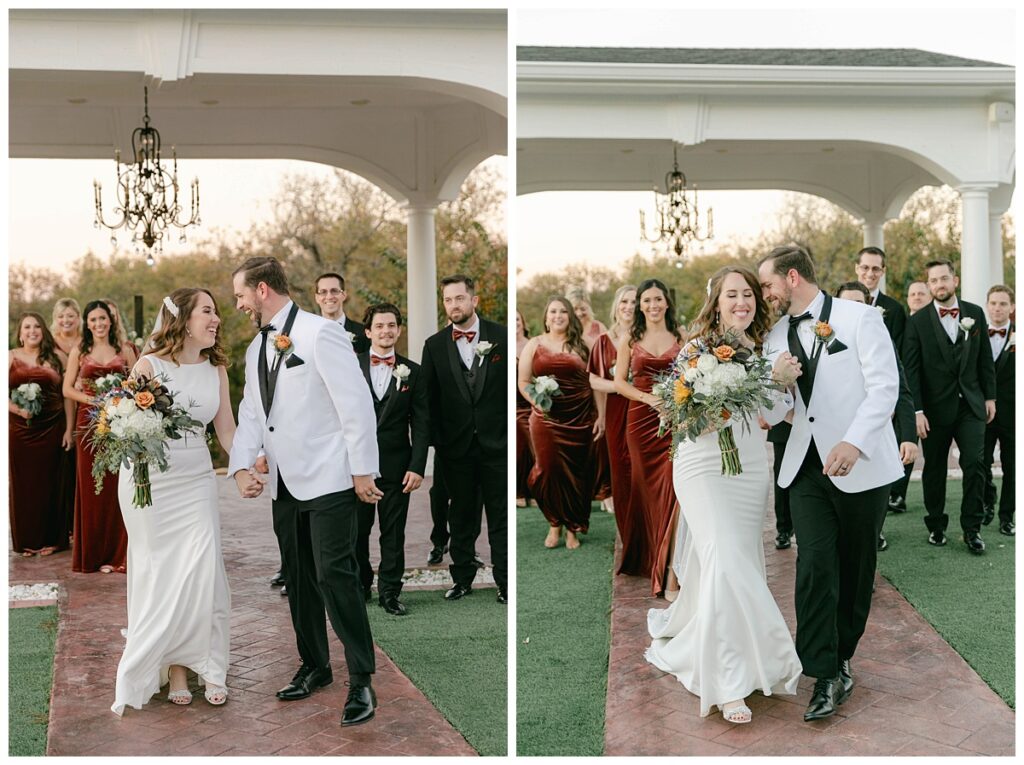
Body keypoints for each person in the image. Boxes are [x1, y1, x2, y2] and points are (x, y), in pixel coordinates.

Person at [228, 256, 381, 726]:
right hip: (284, 484)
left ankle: (361, 680)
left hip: (331, 477)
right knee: (298, 578)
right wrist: (239, 466)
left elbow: (354, 404)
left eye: (239, 296)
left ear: (260, 291)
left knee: (336, 576)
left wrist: (363, 471)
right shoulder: (256, 348)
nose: (237, 306)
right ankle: (315, 665)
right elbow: (253, 410)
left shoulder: (321, 332)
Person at [646, 266, 803, 724]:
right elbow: (691, 418)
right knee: (726, 560)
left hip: (750, 465)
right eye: (731, 294)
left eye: (748, 294)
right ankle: (729, 681)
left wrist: (779, 381)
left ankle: (744, 661)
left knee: (739, 561)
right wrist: (747, 389)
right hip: (702, 466)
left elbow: (771, 415)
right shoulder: (696, 351)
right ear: (716, 302)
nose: (741, 301)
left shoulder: (767, 349)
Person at [758, 245, 904, 722]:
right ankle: (823, 671)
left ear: (792, 277)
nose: (766, 294)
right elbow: (772, 414)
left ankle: (843, 658)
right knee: (815, 564)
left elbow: (885, 386)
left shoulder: (859, 319)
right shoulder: (774, 336)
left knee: (855, 566)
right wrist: (776, 385)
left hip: (860, 466)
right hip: (804, 468)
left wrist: (855, 443)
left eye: (768, 285)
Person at [111, 289, 238, 714]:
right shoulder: (149, 365)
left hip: (196, 478)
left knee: (202, 569)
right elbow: (120, 426)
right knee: (162, 572)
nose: (216, 318)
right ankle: (177, 670)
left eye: (217, 312)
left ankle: (210, 664)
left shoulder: (215, 369)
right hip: (151, 483)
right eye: (208, 311)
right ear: (183, 319)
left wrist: (246, 466)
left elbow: (227, 433)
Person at [420, 274, 508, 604]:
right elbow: (427, 401)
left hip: (497, 446)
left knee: (500, 516)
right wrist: (433, 446)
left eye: (459, 298)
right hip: (454, 448)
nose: (453, 305)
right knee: (460, 517)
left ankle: (504, 581)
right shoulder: (434, 345)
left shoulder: (500, 337)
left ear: (474, 300)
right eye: (448, 300)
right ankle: (462, 579)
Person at [902, 259, 995, 553]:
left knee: (975, 464)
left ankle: (972, 529)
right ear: (929, 286)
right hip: (933, 410)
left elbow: (984, 360)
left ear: (954, 280)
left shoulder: (975, 314)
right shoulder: (916, 322)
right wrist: (917, 411)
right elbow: (911, 370)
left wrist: (989, 397)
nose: (940, 284)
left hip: (970, 405)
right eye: (934, 281)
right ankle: (936, 525)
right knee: (934, 470)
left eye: (944, 278)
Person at [354, 303, 429, 616]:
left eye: (391, 325)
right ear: (368, 331)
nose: (386, 331)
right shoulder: (350, 366)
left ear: (399, 330)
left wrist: (417, 466)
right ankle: (360, 585)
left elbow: (422, 422)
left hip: (398, 467)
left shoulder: (413, 371)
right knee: (356, 532)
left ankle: (390, 593)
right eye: (379, 326)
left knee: (393, 533)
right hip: (356, 468)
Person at [834, 281, 919, 552]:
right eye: (847, 303)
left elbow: (901, 390)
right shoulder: (819, 340)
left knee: (867, 520)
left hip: (871, 445)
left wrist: (908, 437)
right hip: (831, 443)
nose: (853, 309)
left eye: (859, 303)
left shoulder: (880, 340)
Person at [613, 278, 683, 598]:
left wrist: (674, 403)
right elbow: (619, 383)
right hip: (640, 422)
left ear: (667, 302)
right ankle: (649, 558)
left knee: (671, 488)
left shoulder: (681, 336)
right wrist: (647, 399)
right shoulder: (631, 337)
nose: (652, 306)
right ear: (639, 306)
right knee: (645, 489)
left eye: (658, 300)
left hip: (674, 420)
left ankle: (667, 566)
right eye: (646, 301)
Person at [518, 297, 600, 549]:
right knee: (546, 470)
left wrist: (602, 416)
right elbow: (523, 381)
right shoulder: (535, 344)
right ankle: (554, 523)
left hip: (580, 418)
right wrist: (537, 401)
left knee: (576, 473)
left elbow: (595, 382)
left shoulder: (584, 344)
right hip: (546, 418)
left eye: (563, 311)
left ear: (570, 316)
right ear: (545, 317)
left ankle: (573, 527)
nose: (558, 315)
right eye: (553, 311)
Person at [63, 300, 138, 573]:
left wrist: (119, 401)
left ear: (111, 320)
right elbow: (67, 389)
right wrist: (93, 399)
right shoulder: (79, 351)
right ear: (87, 323)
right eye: (93, 319)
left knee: (119, 487)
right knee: (92, 489)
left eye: (102, 319)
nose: (98, 324)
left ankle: (119, 555)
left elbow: (136, 382)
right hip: (89, 425)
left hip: (120, 424)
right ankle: (92, 556)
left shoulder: (124, 350)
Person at [588, 285, 647, 571]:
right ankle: (630, 538)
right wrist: (621, 386)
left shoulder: (646, 337)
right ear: (616, 305)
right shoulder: (603, 340)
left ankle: (651, 537)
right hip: (615, 412)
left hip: (646, 410)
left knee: (644, 471)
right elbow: (593, 380)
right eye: (624, 301)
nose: (629, 306)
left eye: (634, 301)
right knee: (622, 474)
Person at [9, 313, 71, 557]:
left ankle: (54, 540)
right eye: (27, 327)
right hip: (20, 430)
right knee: (24, 485)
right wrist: (17, 409)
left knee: (52, 483)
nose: (32, 331)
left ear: (43, 330)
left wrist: (69, 429)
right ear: (20, 332)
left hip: (53, 427)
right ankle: (26, 540)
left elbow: (67, 395)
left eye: (37, 326)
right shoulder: (10, 357)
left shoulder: (58, 358)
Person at [982, 285, 1014, 536]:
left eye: (1003, 303)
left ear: (1012, 308)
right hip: (982, 413)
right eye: (993, 303)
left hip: (1014, 414)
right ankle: (986, 501)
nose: (997, 308)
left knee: (1012, 467)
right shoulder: (975, 333)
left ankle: (1007, 517)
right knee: (980, 462)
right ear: (987, 305)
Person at [854, 247, 907, 351]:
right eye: (865, 267)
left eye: (875, 269)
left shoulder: (895, 309)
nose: (870, 274)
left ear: (883, 271)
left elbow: (898, 350)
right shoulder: (841, 303)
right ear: (856, 268)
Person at [314, 272, 370, 354]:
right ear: (317, 298)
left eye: (334, 291)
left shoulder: (363, 333)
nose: (329, 296)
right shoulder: (308, 333)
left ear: (344, 295)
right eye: (323, 292)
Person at [515, 309, 534, 508]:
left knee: (535, 446)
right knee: (520, 445)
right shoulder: (503, 346)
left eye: (517, 320)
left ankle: (534, 490)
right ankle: (519, 490)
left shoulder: (533, 344)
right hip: (513, 405)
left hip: (533, 401)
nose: (515, 323)